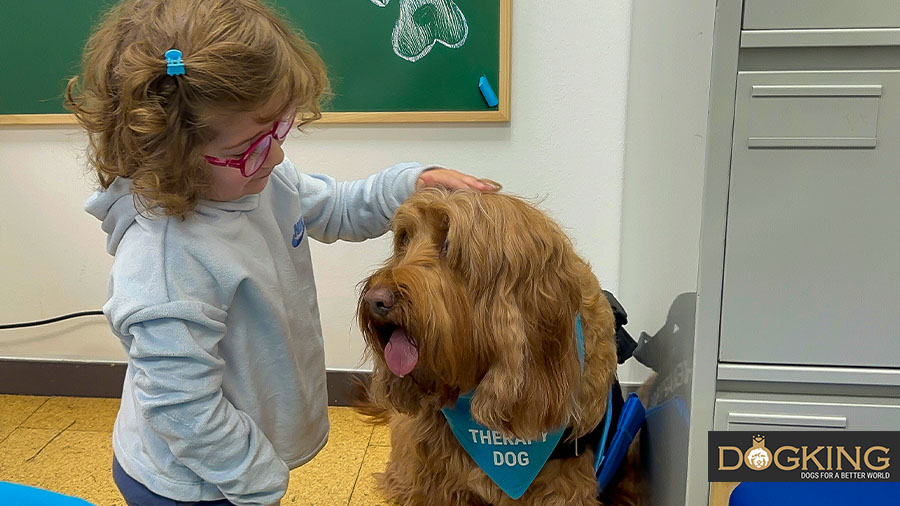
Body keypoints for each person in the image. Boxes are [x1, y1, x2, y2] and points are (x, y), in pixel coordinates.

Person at [65, 1, 499, 504]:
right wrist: (257, 480)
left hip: (237, 458)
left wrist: (410, 185)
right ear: (169, 153)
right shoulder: (165, 263)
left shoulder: (258, 183)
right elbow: (184, 410)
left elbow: (336, 207)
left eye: (281, 127)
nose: (276, 154)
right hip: (190, 484)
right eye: (251, 145)